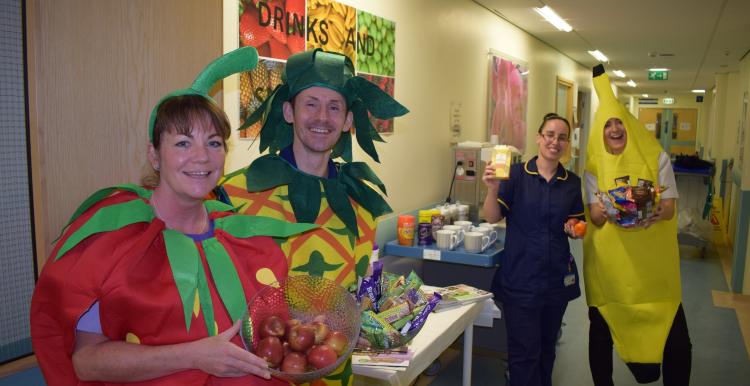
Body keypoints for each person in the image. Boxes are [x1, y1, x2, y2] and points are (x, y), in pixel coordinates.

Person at [30, 47, 317, 386]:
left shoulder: (242, 237)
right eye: (182, 143)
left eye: (213, 143)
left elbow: (266, 331)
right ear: (154, 154)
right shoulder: (117, 241)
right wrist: (195, 355)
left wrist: (312, 331)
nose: (201, 157)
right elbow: (87, 362)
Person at [218, 48, 408, 386]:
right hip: (258, 374)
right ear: (289, 111)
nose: (323, 117)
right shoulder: (237, 194)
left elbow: (360, 284)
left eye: (334, 107)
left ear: (348, 120)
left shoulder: (360, 202)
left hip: (334, 373)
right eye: (311, 104)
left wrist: (361, 320)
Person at [583, 64, 692, 385]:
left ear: (629, 125)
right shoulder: (593, 166)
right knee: (601, 335)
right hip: (610, 271)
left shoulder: (655, 157)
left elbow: (669, 207)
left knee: (678, 343)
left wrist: (650, 211)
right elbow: (595, 216)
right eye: (607, 125)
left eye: (619, 122)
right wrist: (610, 209)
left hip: (654, 272)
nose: (614, 129)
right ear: (600, 131)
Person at [482, 113, 584, 386]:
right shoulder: (515, 175)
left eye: (562, 137)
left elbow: (577, 222)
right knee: (523, 354)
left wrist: (574, 227)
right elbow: (492, 217)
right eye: (550, 135)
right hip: (521, 279)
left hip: (556, 281)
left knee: (547, 350)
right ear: (539, 138)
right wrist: (492, 189)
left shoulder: (572, 183)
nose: (555, 141)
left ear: (567, 144)